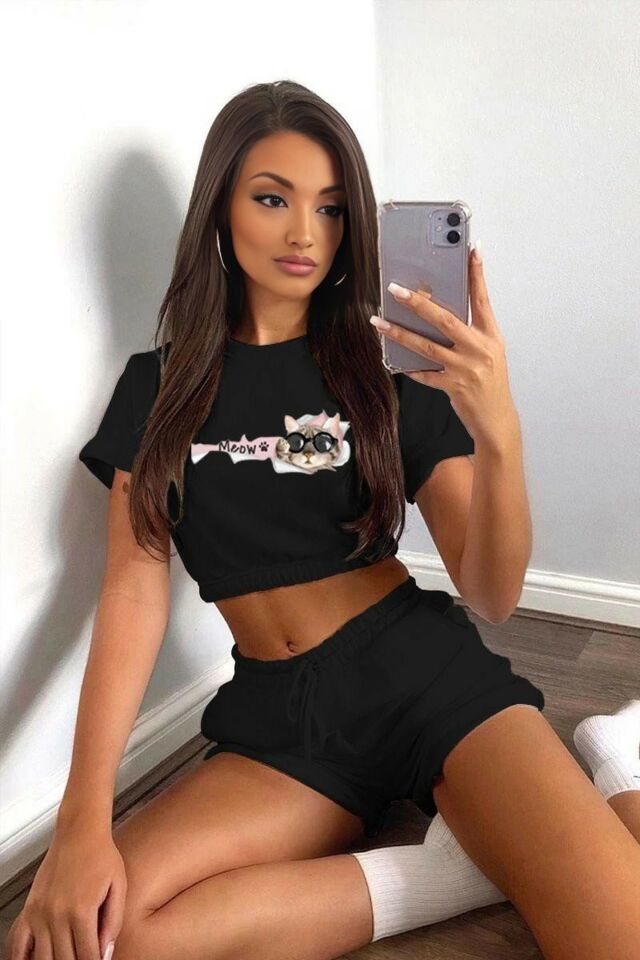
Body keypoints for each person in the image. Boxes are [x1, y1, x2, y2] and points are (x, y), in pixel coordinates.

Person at [7, 80, 640, 960]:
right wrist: (82, 821)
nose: (306, 232)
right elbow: (131, 594)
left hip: (423, 677)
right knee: (99, 940)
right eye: (273, 199)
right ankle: (446, 871)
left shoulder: (391, 370)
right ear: (220, 207)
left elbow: (493, 594)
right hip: (282, 723)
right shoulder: (156, 391)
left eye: (332, 207)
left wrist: (499, 431)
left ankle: (617, 762)